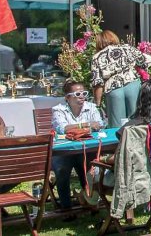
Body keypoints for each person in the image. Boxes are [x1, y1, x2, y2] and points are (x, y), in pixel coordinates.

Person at [50, 81, 105, 210]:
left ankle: (89, 200)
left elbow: (99, 124)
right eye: (77, 94)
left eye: (84, 93)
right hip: (64, 151)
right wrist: (86, 125)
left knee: (89, 167)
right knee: (62, 169)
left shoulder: (91, 107)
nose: (82, 96)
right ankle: (66, 206)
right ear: (67, 97)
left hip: (84, 149)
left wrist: (80, 127)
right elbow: (62, 129)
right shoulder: (58, 109)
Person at [91, 30, 151, 128]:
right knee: (136, 120)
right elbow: (147, 61)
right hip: (132, 83)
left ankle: (119, 143)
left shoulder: (97, 57)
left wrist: (97, 103)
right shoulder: (127, 48)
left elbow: (97, 82)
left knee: (117, 125)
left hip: (113, 88)